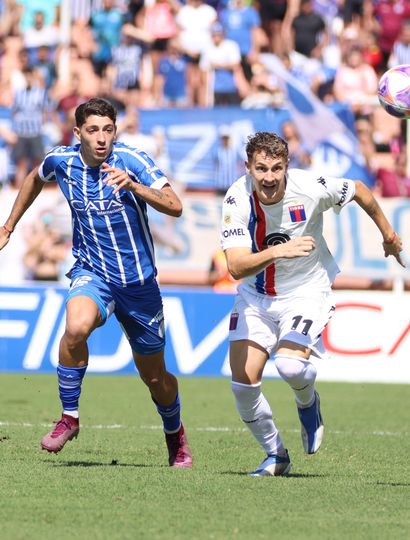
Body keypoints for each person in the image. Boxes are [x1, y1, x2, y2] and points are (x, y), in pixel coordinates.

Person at [0, 97, 192, 468]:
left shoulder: (132, 161)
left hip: (139, 285)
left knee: (155, 378)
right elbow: (34, 179)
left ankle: (175, 434)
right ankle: (69, 417)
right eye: (93, 130)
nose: (101, 138)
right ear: (78, 133)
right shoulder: (62, 161)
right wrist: (9, 226)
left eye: (108, 129)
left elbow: (175, 204)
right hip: (93, 273)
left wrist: (135, 187)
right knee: (76, 327)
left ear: (115, 131)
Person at [220, 131, 404, 476]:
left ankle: (308, 402)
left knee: (289, 366)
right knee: (243, 386)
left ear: (287, 165)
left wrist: (388, 235)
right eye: (261, 169)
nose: (270, 177)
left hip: (306, 289)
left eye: (277, 168)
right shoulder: (236, 198)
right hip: (255, 295)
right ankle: (276, 455)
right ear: (247, 167)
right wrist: (279, 250)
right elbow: (234, 266)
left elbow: (361, 190)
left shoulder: (311, 186)